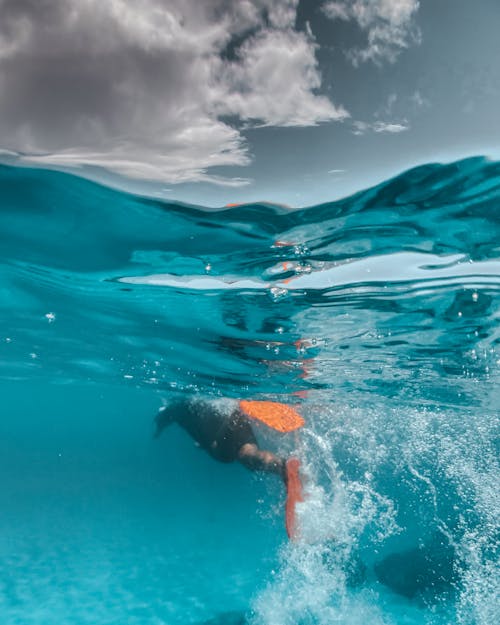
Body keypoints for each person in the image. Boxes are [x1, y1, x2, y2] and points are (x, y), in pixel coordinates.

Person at [153, 397, 286, 479]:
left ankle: (236, 416)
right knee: (249, 452)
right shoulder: (187, 404)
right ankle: (281, 464)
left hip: (220, 448)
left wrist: (158, 430)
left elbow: (163, 418)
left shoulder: (178, 407)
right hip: (227, 419)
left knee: (242, 454)